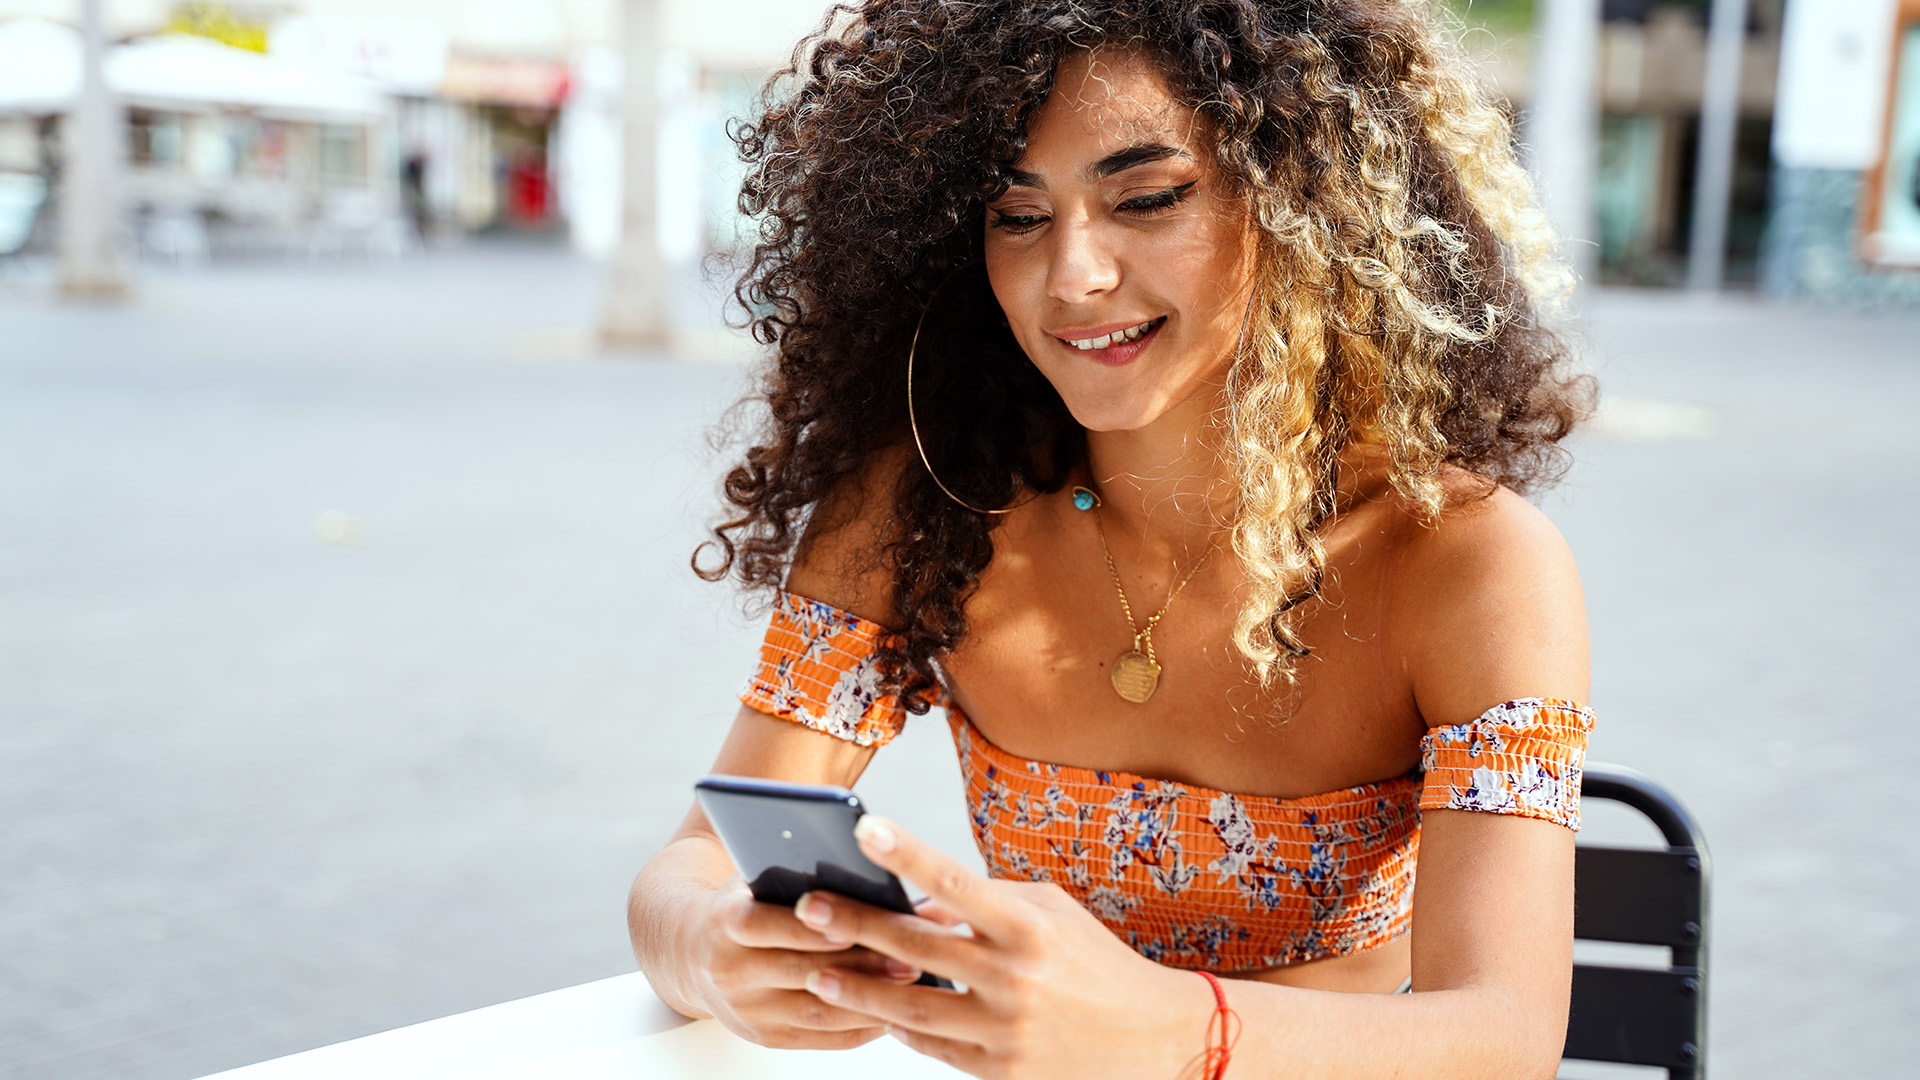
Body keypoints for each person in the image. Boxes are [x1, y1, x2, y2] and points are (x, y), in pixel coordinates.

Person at [628, 0, 1596, 1075]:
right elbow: (694, 863)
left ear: (1302, 204)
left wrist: (1179, 1032)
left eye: (1145, 198)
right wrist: (713, 952)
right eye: (1017, 215)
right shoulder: (926, 503)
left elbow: (1507, 1038)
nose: (1073, 274)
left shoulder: (1466, 560)